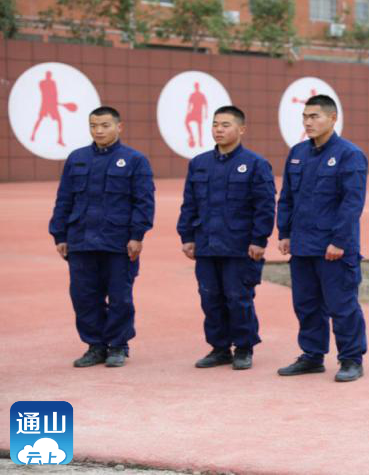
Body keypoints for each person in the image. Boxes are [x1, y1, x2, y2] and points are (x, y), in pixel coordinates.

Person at [49, 106, 155, 368]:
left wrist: (137, 235)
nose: (99, 130)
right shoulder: (77, 158)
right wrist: (60, 234)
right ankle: (95, 346)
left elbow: (143, 202)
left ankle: (118, 345)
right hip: (81, 240)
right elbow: (64, 199)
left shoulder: (135, 160)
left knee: (120, 296)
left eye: (105, 125)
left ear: (119, 127)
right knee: (84, 296)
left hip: (118, 241)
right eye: (94, 126)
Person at [276, 94, 368, 382]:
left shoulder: (349, 154)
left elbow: (352, 202)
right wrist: (285, 232)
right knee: (306, 304)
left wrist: (339, 241)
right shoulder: (297, 153)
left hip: (334, 248)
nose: (308, 122)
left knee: (342, 304)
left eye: (315, 116)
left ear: (333, 118)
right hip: (303, 245)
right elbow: (287, 197)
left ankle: (351, 359)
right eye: (305, 117)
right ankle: (312, 356)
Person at [176, 105, 276, 370]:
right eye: (215, 124)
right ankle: (219, 348)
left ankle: (244, 347)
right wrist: (187, 235)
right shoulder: (199, 164)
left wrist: (259, 240)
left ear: (241, 129)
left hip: (239, 245)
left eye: (226, 125)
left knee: (238, 297)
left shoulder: (255, 164)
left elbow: (265, 206)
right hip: (207, 244)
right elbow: (189, 203)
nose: (218, 130)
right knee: (210, 297)